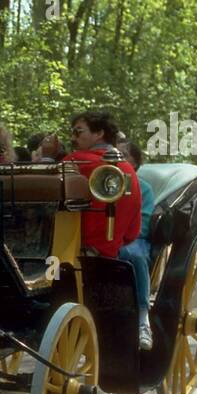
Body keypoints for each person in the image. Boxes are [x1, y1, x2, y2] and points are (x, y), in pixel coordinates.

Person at [67, 111, 144, 345]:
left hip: (69, 257)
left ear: (99, 133)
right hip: (107, 256)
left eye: (78, 131)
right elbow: (132, 233)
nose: (73, 137)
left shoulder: (74, 163)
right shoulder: (129, 171)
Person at [116, 140, 155, 350]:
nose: (118, 158)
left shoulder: (144, 188)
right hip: (107, 238)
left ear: (135, 162)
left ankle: (143, 319)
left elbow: (145, 223)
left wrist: (120, 238)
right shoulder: (102, 182)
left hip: (133, 239)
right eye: (116, 154)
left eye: (124, 155)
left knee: (135, 255)